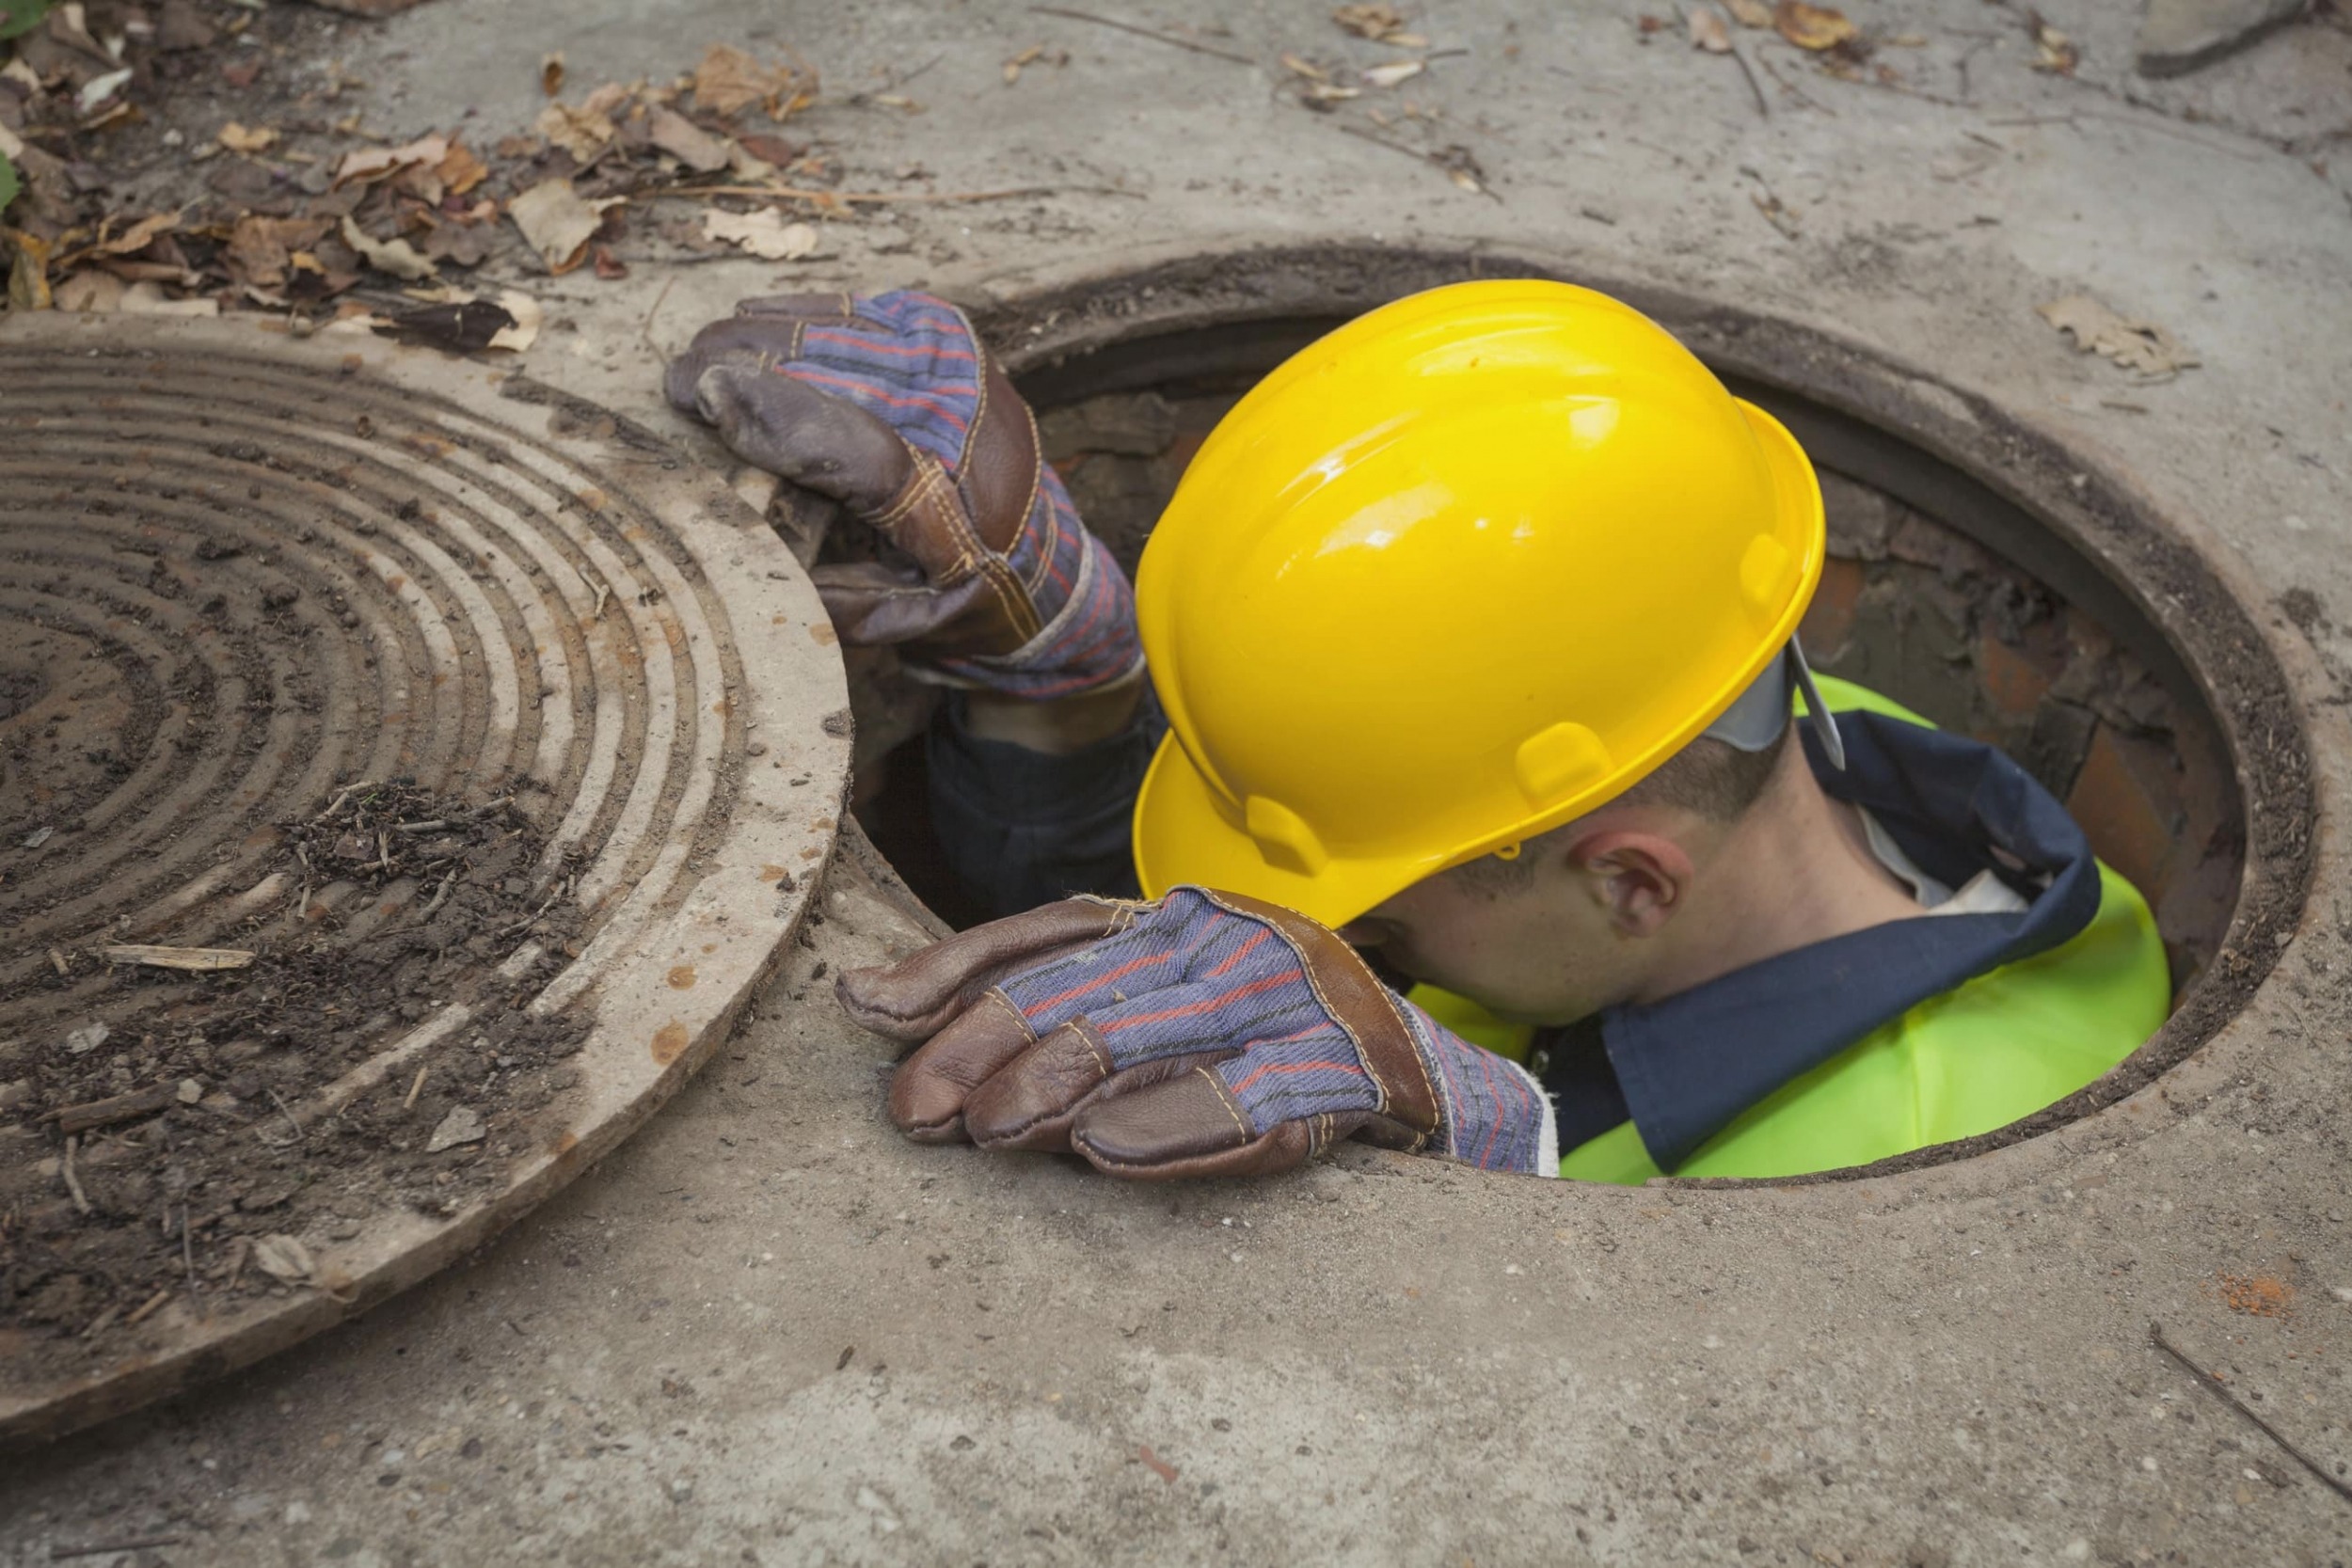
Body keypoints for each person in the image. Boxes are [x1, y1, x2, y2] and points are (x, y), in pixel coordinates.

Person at [666, 282, 2170, 1185]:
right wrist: (1064, 701)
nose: (1355, 938)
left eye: (1381, 905)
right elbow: (1158, 980)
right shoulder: (1696, 713)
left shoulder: (1907, 1159)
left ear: (1632, 878)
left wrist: (1493, 1176)